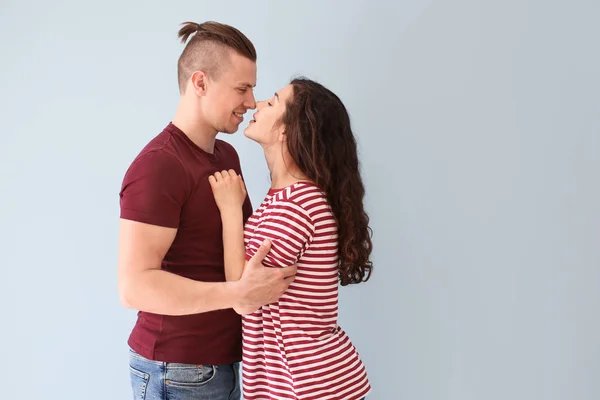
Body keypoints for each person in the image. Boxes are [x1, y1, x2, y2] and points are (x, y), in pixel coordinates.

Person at [117, 21, 297, 400]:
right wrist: (237, 293)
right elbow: (134, 287)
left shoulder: (225, 155)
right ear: (200, 83)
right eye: (241, 88)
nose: (251, 102)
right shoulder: (159, 166)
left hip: (225, 364)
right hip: (177, 369)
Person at [209, 77, 373, 400]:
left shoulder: (296, 206)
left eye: (272, 102)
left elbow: (242, 292)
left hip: (306, 386)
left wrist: (230, 210)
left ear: (287, 129)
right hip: (303, 383)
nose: (256, 104)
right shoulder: (286, 199)